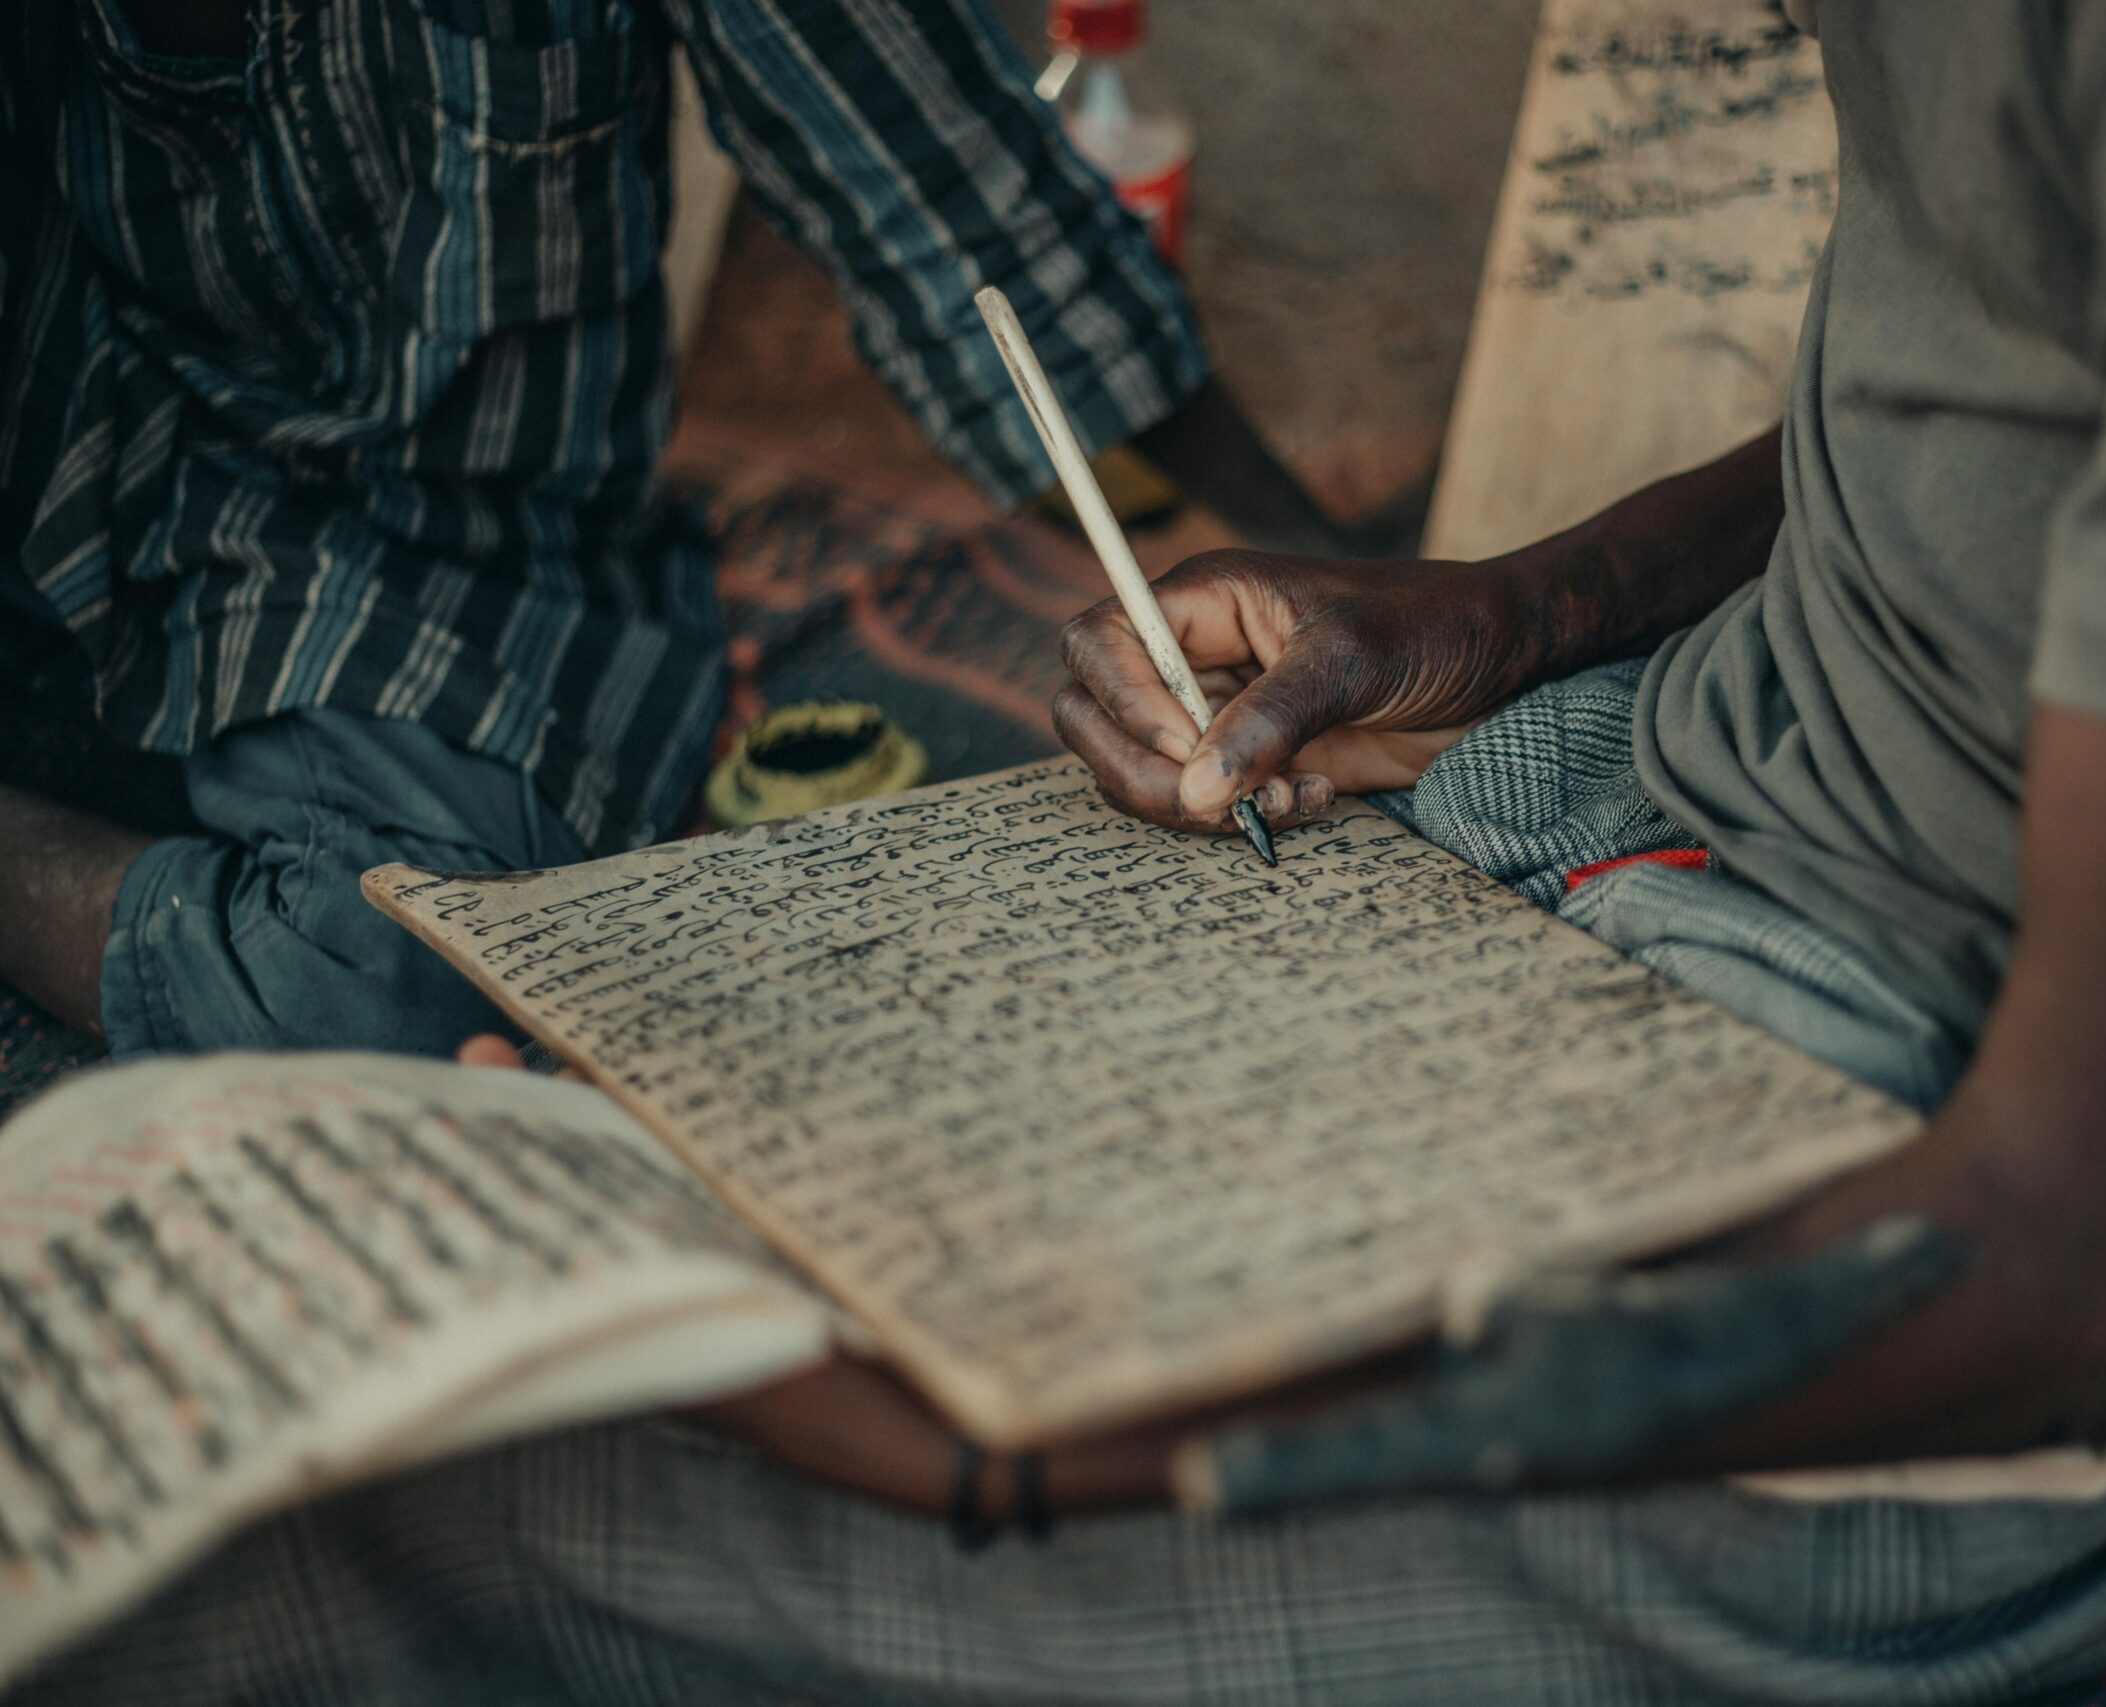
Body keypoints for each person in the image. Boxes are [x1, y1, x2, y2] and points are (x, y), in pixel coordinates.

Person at [21, 1, 2106, 1704]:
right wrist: (1491, 608)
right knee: (601, 1099)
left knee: (331, 1510)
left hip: (1966, 1225)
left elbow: (2098, 1273)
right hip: (1588, 810)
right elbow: (2018, 384)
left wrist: (1044, 1436)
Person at [0, 0, 1327, 1064]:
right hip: (60, 457)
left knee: (410, 983)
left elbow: (967, 206)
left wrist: (1333, 580)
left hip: (422, 556)